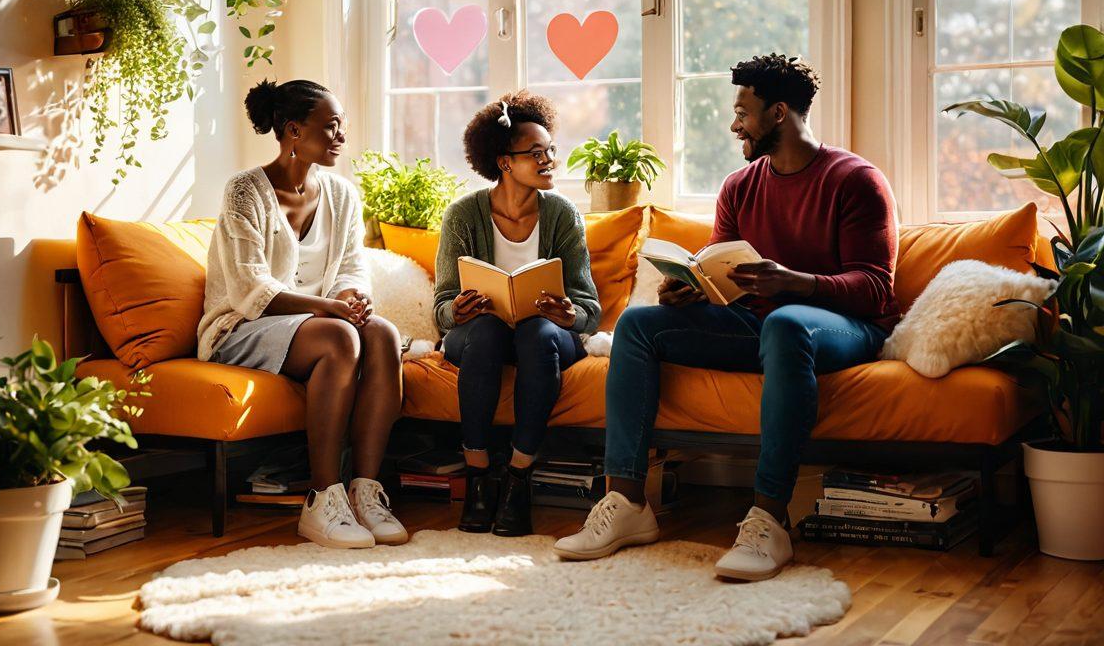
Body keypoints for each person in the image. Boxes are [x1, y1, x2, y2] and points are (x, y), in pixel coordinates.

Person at [555, 54, 900, 581]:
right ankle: (627, 502)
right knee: (638, 324)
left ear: (779, 112)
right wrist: (693, 290)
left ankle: (769, 518)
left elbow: (875, 288)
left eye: (743, 111)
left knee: (786, 324)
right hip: (758, 327)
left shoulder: (855, 180)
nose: (734, 122)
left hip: (843, 328)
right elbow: (719, 272)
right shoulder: (740, 186)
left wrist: (796, 283)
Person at [199, 79, 407, 550]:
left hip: (315, 324)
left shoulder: (341, 194)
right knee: (341, 338)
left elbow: (351, 266)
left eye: (342, 127)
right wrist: (331, 309)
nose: (340, 137)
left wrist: (352, 296)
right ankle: (321, 499)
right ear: (293, 130)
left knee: (383, 334)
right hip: (242, 328)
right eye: (330, 127)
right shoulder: (243, 192)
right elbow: (252, 289)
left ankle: (363, 494)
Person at [434, 91, 601, 537]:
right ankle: (478, 478)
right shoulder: (463, 215)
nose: (549, 160)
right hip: (480, 333)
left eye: (551, 151)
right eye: (536, 153)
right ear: (504, 161)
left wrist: (569, 315)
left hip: (543, 335)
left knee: (537, 333)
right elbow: (442, 306)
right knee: (487, 331)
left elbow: (589, 306)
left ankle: (517, 478)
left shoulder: (563, 214)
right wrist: (458, 308)